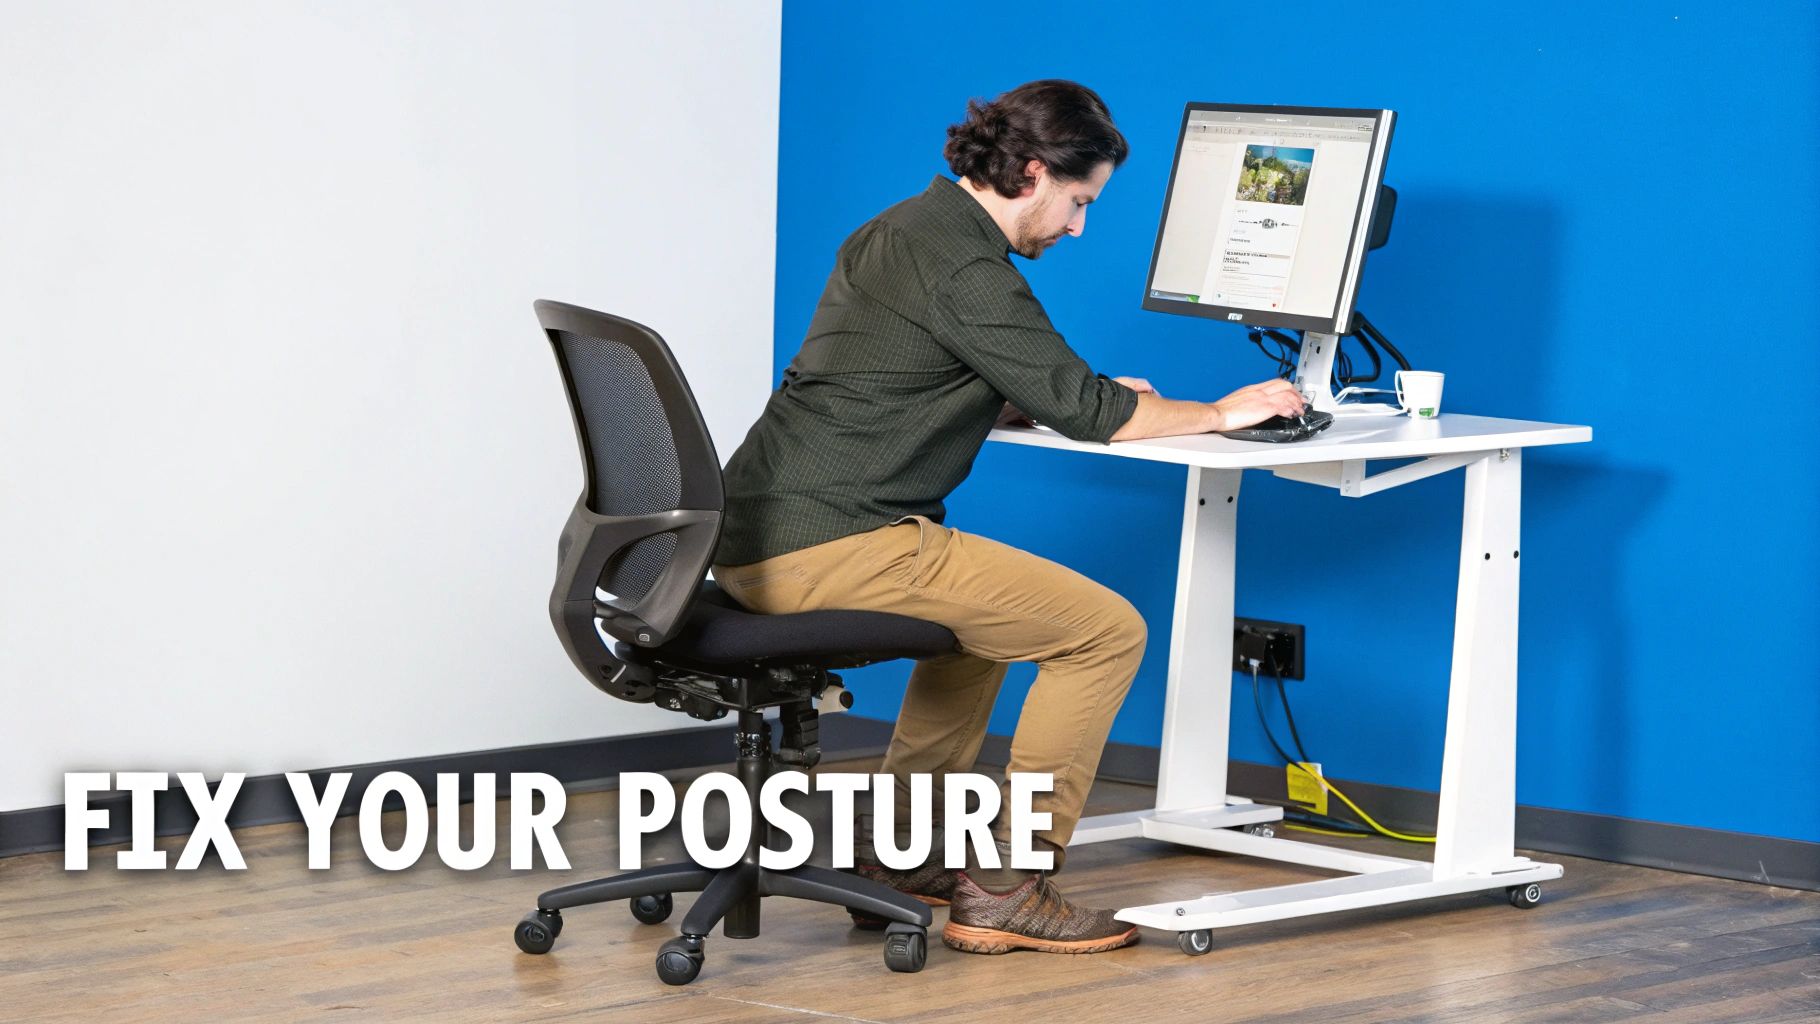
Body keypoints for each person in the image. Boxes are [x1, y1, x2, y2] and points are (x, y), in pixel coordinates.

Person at [711, 80, 1305, 955]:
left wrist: (1048, 399)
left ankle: (899, 857)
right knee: (1104, 631)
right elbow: (1100, 415)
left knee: (986, 629)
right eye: (1078, 202)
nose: (1076, 228)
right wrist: (1225, 410)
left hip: (760, 535)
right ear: (1033, 172)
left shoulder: (899, 230)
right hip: (833, 540)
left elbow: (896, 376)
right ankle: (1007, 887)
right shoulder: (968, 267)